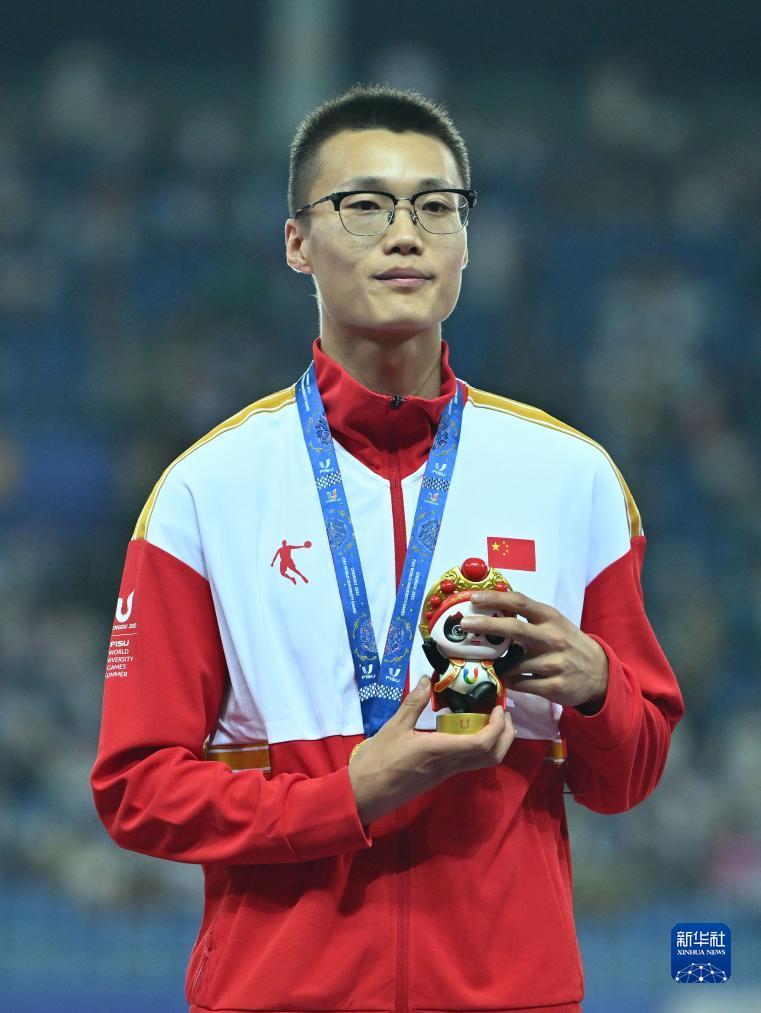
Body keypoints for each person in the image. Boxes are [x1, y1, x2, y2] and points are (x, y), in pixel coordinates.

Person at [91, 83, 684, 1013]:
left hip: (509, 997)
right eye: (364, 205)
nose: (405, 234)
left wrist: (597, 684)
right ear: (296, 242)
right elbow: (136, 791)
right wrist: (349, 793)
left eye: (435, 207)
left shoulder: (572, 479)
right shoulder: (206, 493)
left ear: (464, 244)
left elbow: (628, 776)